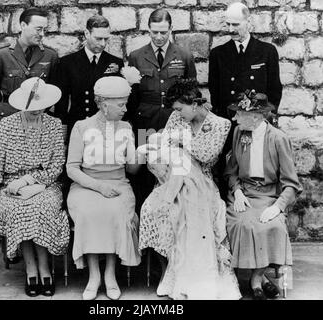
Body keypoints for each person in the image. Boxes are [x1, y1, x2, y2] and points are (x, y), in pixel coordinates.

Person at [138, 79, 241, 300]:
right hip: (171, 179)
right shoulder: (176, 118)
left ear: (194, 104)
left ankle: (197, 280)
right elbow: (162, 150)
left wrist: (181, 142)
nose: (176, 114)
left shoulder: (221, 124)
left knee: (192, 208)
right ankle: (173, 273)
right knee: (156, 208)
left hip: (203, 182)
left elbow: (208, 156)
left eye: (179, 108)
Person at [0, 77, 70, 297]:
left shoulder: (54, 125)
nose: (37, 111)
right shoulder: (7, 124)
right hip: (10, 185)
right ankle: (31, 268)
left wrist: (29, 182)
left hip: (45, 184)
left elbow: (57, 165)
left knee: (42, 206)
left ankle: (44, 266)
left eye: (41, 107)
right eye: (32, 108)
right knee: (19, 209)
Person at [66, 76, 142, 300]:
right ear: (103, 104)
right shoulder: (81, 127)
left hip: (118, 183)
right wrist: (99, 187)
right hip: (86, 185)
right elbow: (72, 168)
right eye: (121, 104)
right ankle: (94, 276)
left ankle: (110, 274)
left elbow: (133, 170)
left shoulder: (127, 127)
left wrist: (141, 153)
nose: (125, 109)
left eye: (125, 103)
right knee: (90, 212)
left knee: (116, 212)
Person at [225, 91, 302, 300]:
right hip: (245, 193)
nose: (234, 118)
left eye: (239, 114)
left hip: (269, 195)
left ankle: (257, 279)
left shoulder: (278, 138)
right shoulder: (240, 133)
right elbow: (231, 171)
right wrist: (237, 191)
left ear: (256, 117)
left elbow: (291, 183)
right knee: (243, 224)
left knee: (273, 225)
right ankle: (259, 280)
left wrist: (277, 207)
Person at [208, 1, 282, 198]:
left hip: (258, 125)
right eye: (228, 25)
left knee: (257, 170)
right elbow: (215, 95)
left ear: (248, 22)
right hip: (231, 126)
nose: (231, 30)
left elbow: (275, 91)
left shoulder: (267, 51)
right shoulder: (218, 54)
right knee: (229, 172)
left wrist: (263, 120)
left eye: (236, 25)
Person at [127, 8, 197, 215]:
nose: (158, 37)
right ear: (148, 29)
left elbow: (192, 93)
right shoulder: (136, 57)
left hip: (174, 124)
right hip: (145, 124)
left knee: (174, 172)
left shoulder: (184, 56)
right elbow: (133, 97)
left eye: (163, 32)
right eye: (154, 32)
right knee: (145, 174)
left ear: (171, 30)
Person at [0, 7, 58, 141]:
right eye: (38, 29)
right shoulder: (1, 55)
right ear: (23, 25)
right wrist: (7, 110)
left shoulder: (50, 56)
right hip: (7, 123)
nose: (42, 34)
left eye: (44, 30)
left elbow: (52, 90)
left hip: (37, 124)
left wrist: (37, 110)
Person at [54, 15, 124, 141]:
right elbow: (62, 102)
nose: (103, 44)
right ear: (87, 33)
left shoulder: (115, 62)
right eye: (98, 39)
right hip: (78, 126)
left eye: (106, 39)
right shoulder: (68, 62)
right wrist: (62, 130)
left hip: (106, 129)